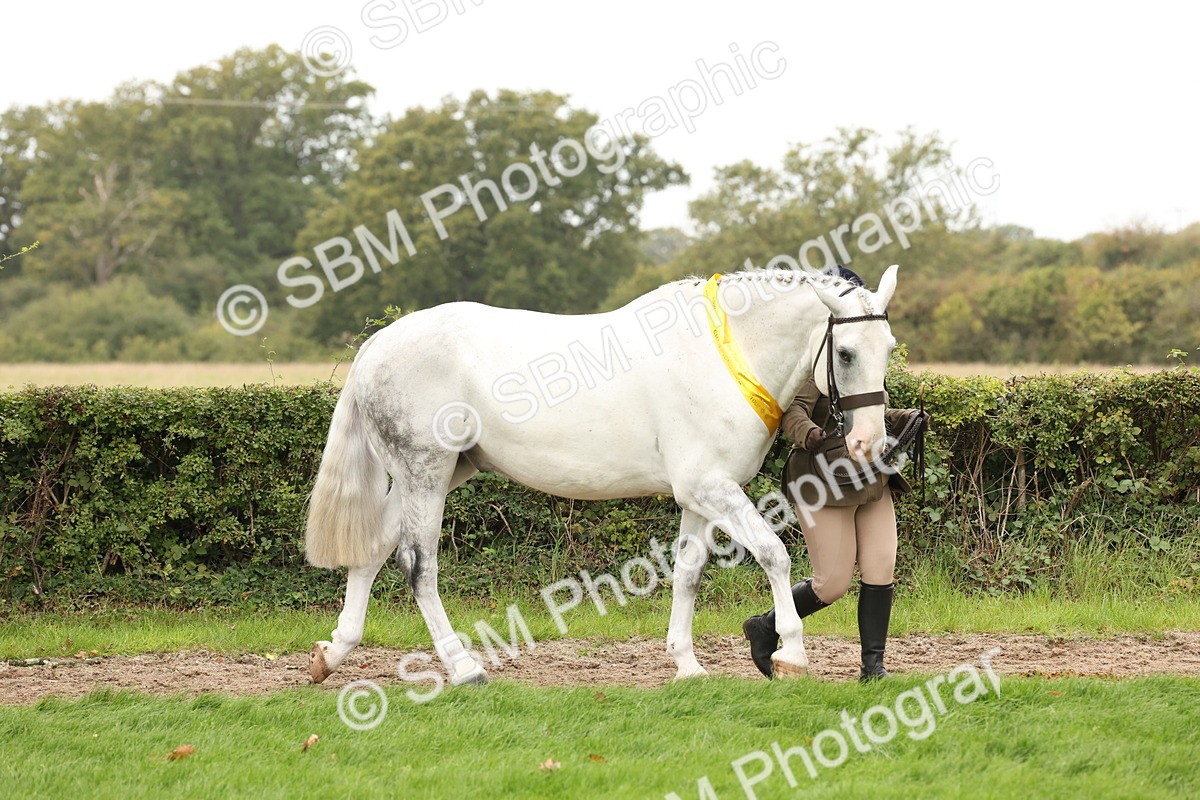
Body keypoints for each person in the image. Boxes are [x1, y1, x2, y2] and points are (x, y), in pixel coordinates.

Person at [742, 265, 928, 681]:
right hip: (823, 479)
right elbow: (793, 413)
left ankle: (873, 669)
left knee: (881, 570)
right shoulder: (813, 360)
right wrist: (812, 437)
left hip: (870, 476)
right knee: (832, 584)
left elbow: (869, 410)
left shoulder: (862, 352)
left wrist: (906, 418)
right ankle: (765, 626)